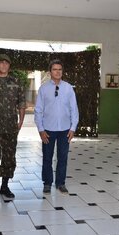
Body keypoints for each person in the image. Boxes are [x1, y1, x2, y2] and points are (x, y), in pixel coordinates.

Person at [0, 54, 26, 199]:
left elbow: (21, 102)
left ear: (9, 65)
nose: (4, 65)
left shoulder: (16, 81)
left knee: (9, 157)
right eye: (1, 62)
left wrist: (20, 121)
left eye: (6, 63)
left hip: (10, 126)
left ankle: (5, 186)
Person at [34, 59, 79, 195]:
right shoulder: (44, 89)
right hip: (48, 129)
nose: (57, 72)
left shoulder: (68, 88)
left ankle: (61, 183)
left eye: (60, 69)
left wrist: (73, 128)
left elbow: (74, 109)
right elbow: (38, 110)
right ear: (50, 72)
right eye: (55, 69)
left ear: (62, 71)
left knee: (63, 157)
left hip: (65, 129)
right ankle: (47, 183)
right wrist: (41, 129)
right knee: (47, 157)